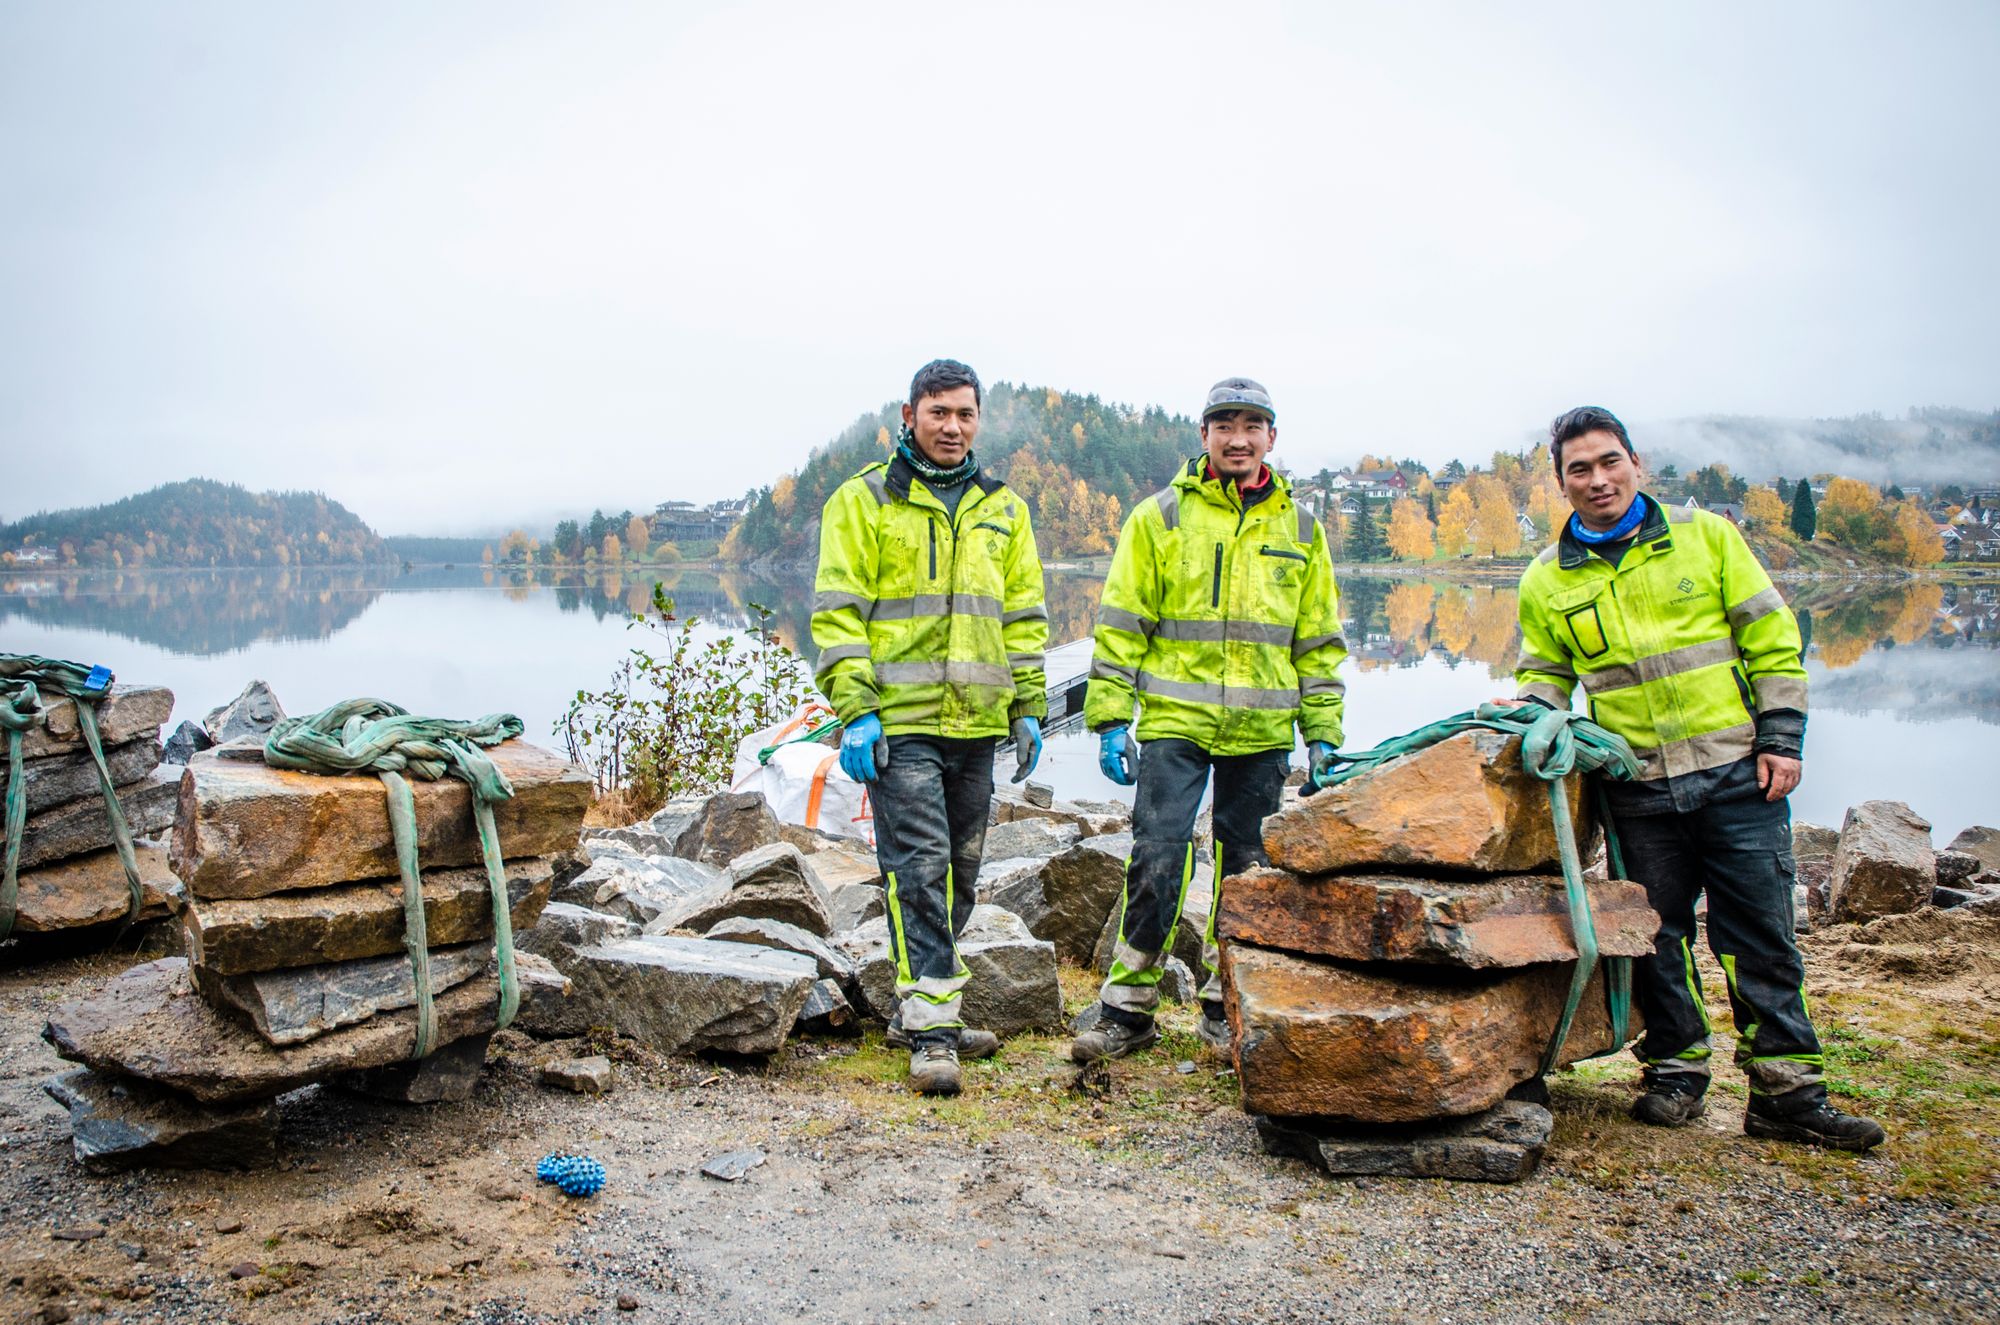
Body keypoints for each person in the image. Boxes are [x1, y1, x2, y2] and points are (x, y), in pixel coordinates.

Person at [1510, 405, 1883, 1149]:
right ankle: (1676, 1072)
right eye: (1579, 469)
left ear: (1636, 464)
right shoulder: (1547, 579)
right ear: (1561, 483)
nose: (1597, 479)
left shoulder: (1707, 537)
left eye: (1609, 461)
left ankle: (1787, 1090)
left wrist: (1781, 736)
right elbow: (1545, 678)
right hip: (1638, 789)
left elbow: (1772, 637)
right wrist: (1526, 719)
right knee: (1659, 937)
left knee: (1762, 934)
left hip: (1737, 774)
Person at [1070, 377, 1347, 1062]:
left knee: (1248, 873)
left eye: (1253, 423)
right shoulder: (1160, 518)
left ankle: (1229, 1007)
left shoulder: (1303, 531)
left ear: (1271, 438)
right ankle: (1127, 1008)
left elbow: (1318, 643)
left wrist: (1326, 732)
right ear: (1204, 436)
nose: (1238, 436)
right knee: (1158, 859)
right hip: (1176, 728)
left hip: (1262, 735)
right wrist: (1110, 716)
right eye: (1224, 422)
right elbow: (1122, 626)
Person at [810, 358, 1048, 1097]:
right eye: (938, 411)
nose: (952, 426)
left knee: (963, 872)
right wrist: (857, 708)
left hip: (976, 725)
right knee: (919, 870)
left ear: (979, 420)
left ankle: (921, 1002)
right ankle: (935, 1031)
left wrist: (1028, 703)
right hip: (898, 724)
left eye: (965, 413)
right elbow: (838, 615)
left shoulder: (1003, 508)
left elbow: (1024, 616)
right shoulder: (864, 501)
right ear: (908, 415)